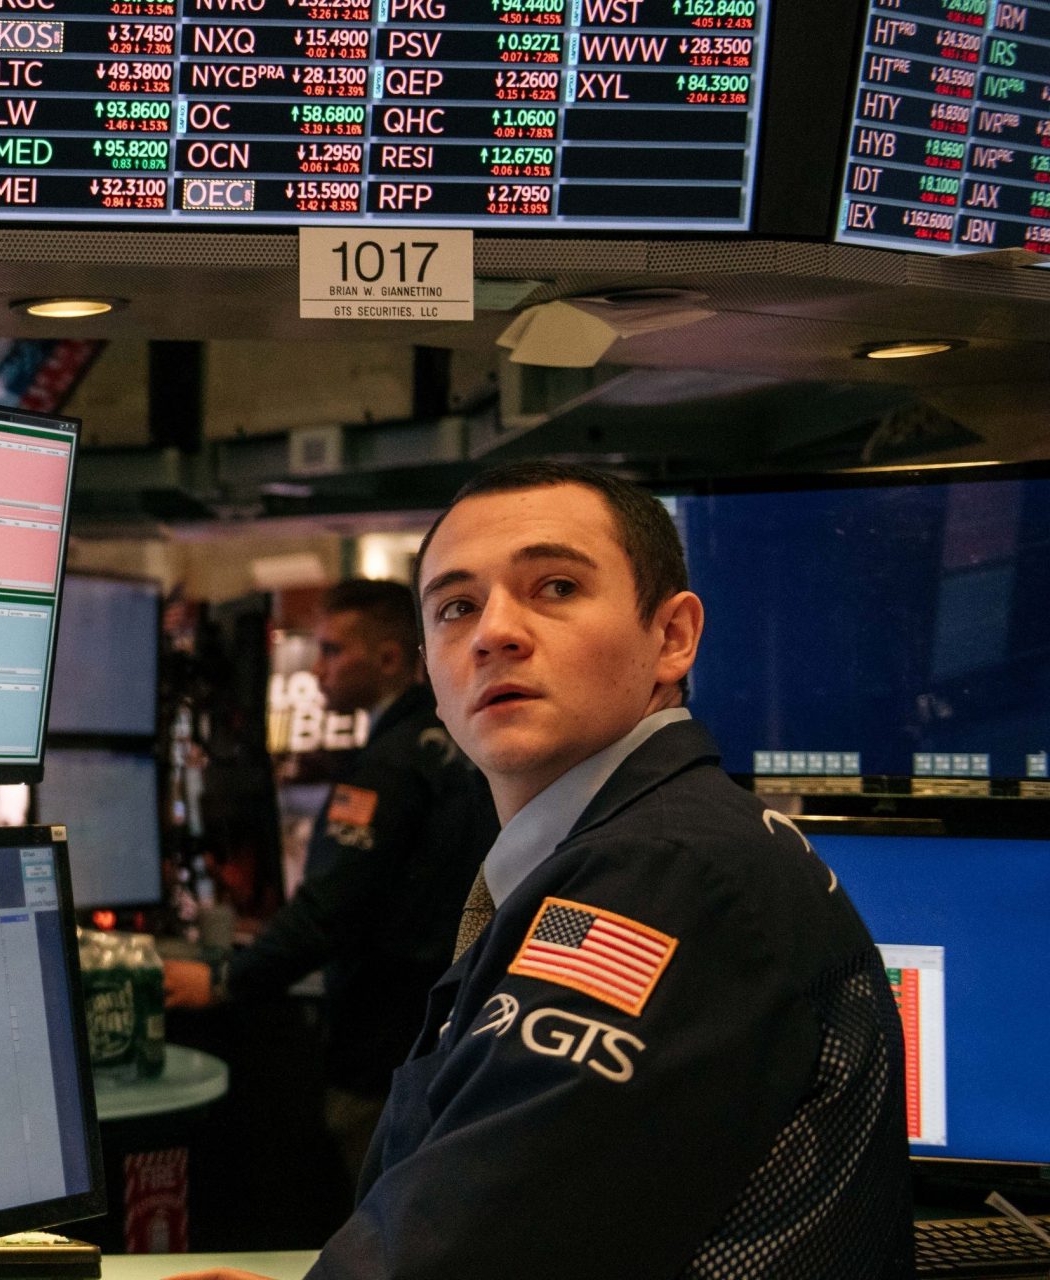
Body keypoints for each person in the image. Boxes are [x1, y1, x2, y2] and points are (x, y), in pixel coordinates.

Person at [179, 460, 910, 1280]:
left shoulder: (659, 877)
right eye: (456, 607)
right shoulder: (641, 844)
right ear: (428, 669)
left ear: (673, 637)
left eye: (555, 587)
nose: (494, 631)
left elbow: (477, 1253)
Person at [162, 580, 496, 1183]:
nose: (318, 669)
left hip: (382, 1049)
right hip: (451, 1034)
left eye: (333, 651)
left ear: (392, 658)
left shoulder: (389, 766)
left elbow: (330, 908)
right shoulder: (460, 746)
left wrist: (223, 980)